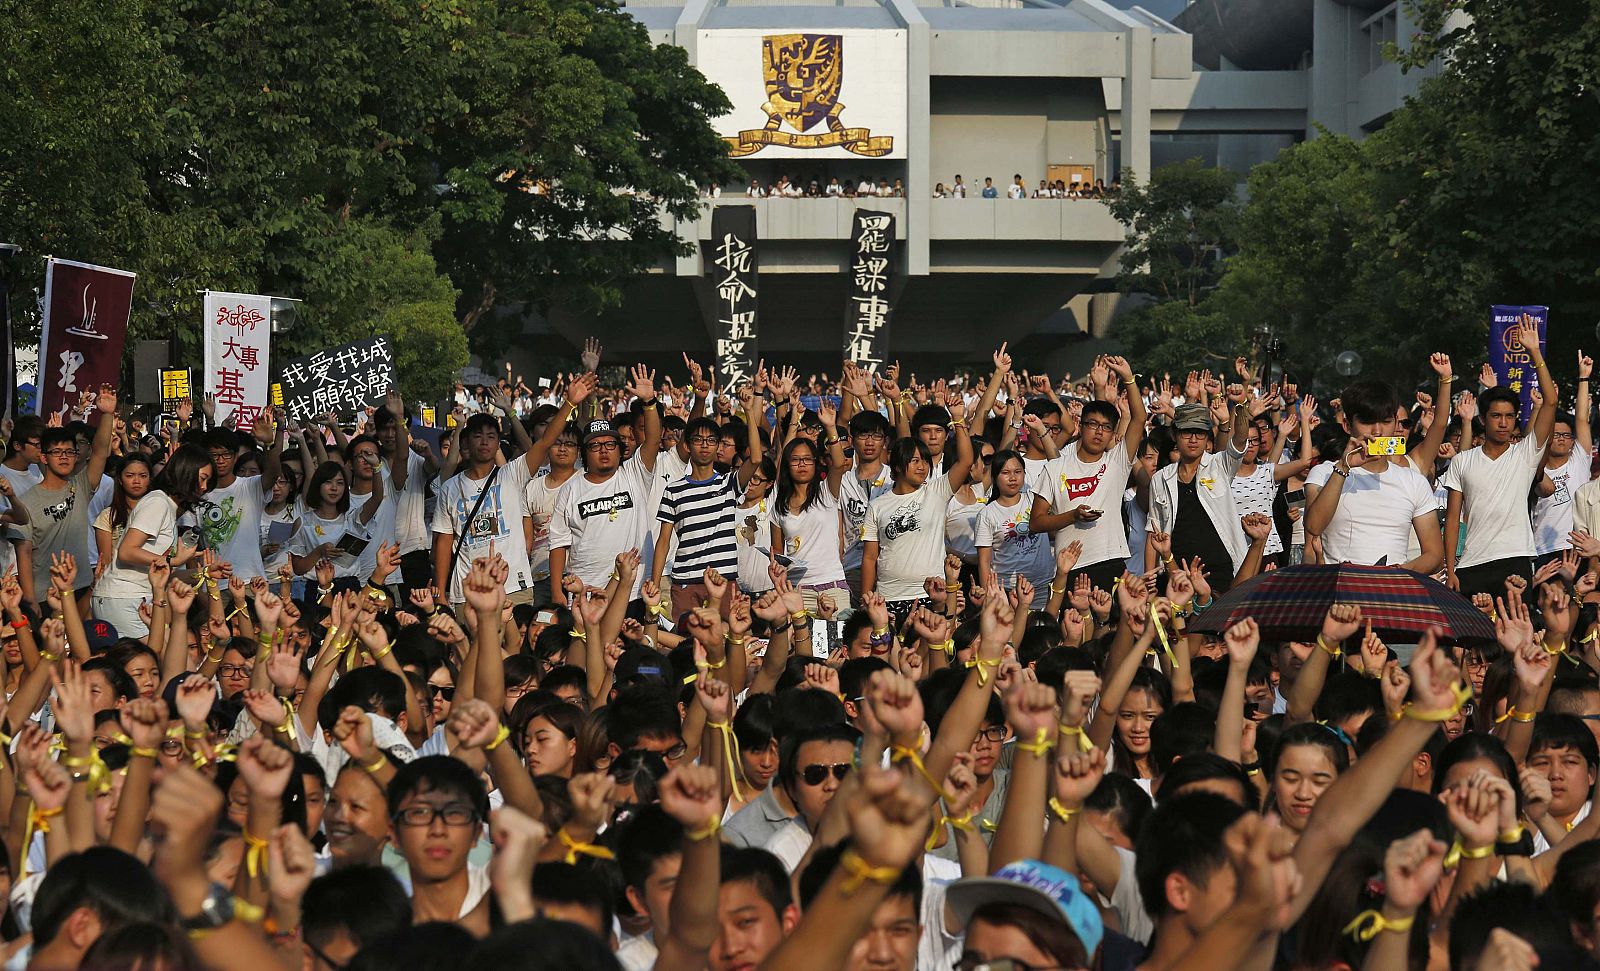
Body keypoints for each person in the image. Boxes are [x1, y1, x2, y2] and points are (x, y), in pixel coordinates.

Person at [438, 375, 594, 607]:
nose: (484, 442)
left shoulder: (512, 474)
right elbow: (443, 541)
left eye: (491, 437)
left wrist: (570, 403)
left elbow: (543, 443)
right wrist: (441, 592)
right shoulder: (449, 488)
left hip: (514, 587)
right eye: (477, 436)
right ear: (466, 443)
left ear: (498, 443)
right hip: (466, 590)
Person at [1443, 321, 1556, 596]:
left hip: (1516, 558)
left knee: (1519, 635)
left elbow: (1551, 402)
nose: (1503, 423)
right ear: (1483, 420)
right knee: (1473, 639)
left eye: (1509, 417)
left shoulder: (1525, 454)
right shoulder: (1462, 461)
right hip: (1472, 563)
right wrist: (1450, 568)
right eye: (1496, 416)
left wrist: (1534, 352)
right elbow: (1452, 518)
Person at [1031, 356, 1146, 592]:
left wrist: (1129, 378)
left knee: (1108, 628)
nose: (1098, 432)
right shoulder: (1055, 467)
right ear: (1081, 426)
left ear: (1113, 433)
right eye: (1092, 424)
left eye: (1105, 427)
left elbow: (1139, 418)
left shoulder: (1118, 461)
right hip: (1069, 567)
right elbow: (1036, 522)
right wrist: (1073, 516)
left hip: (1111, 560)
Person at [548, 370, 661, 604]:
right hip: (585, 593)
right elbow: (558, 544)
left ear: (620, 449)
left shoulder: (634, 474)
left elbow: (652, 439)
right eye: (595, 445)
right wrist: (557, 592)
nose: (604, 450)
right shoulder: (570, 489)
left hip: (633, 592)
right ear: (584, 453)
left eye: (610, 444)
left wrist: (649, 403)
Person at [16, 386, 117, 609]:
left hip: (82, 587)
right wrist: (30, 599)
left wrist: (107, 414)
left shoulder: (81, 486)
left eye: (70, 452)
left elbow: (100, 452)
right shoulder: (26, 502)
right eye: (57, 452)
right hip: (46, 594)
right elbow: (23, 553)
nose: (64, 457)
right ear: (43, 457)